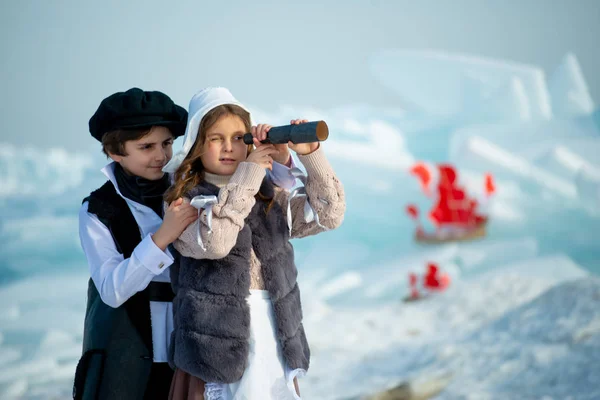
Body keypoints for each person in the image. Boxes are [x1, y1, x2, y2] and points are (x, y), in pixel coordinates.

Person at [74, 88, 296, 400]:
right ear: (115, 152)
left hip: (197, 340)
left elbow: (260, 202)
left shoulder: (190, 183)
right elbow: (111, 290)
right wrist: (162, 237)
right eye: (146, 146)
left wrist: (280, 159)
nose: (161, 156)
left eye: (166, 144)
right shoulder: (98, 209)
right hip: (128, 346)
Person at [163, 87, 346, 399]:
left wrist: (309, 153)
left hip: (274, 336)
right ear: (196, 144)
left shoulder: (267, 195)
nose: (229, 147)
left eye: (238, 137)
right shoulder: (186, 201)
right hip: (215, 347)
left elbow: (329, 215)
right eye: (215, 138)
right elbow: (216, 243)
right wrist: (248, 175)